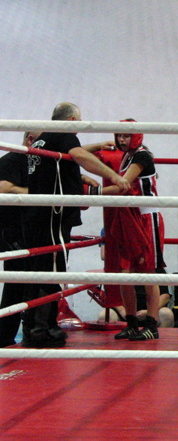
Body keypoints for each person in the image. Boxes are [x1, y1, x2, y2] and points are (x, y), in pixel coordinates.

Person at [22, 103, 130, 348]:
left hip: (40, 215)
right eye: (79, 121)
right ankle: (41, 330)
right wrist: (113, 175)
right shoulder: (62, 134)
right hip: (51, 215)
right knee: (50, 272)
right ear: (71, 120)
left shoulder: (44, 138)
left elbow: (72, 154)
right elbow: (80, 156)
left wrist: (97, 147)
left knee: (42, 271)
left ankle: (38, 327)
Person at [90, 120, 166, 341]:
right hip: (127, 218)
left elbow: (122, 185)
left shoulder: (143, 156)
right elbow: (77, 153)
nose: (121, 140)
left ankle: (151, 325)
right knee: (125, 274)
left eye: (126, 136)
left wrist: (91, 193)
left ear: (136, 136)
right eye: (119, 135)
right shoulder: (125, 156)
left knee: (147, 273)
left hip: (146, 218)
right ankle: (131, 323)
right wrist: (99, 145)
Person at [0, 132, 38, 347]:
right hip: (11, 232)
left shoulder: (36, 163)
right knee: (16, 284)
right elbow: (3, 190)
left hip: (27, 231)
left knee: (29, 284)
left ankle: (29, 333)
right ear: (30, 139)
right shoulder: (11, 160)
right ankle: (5, 337)